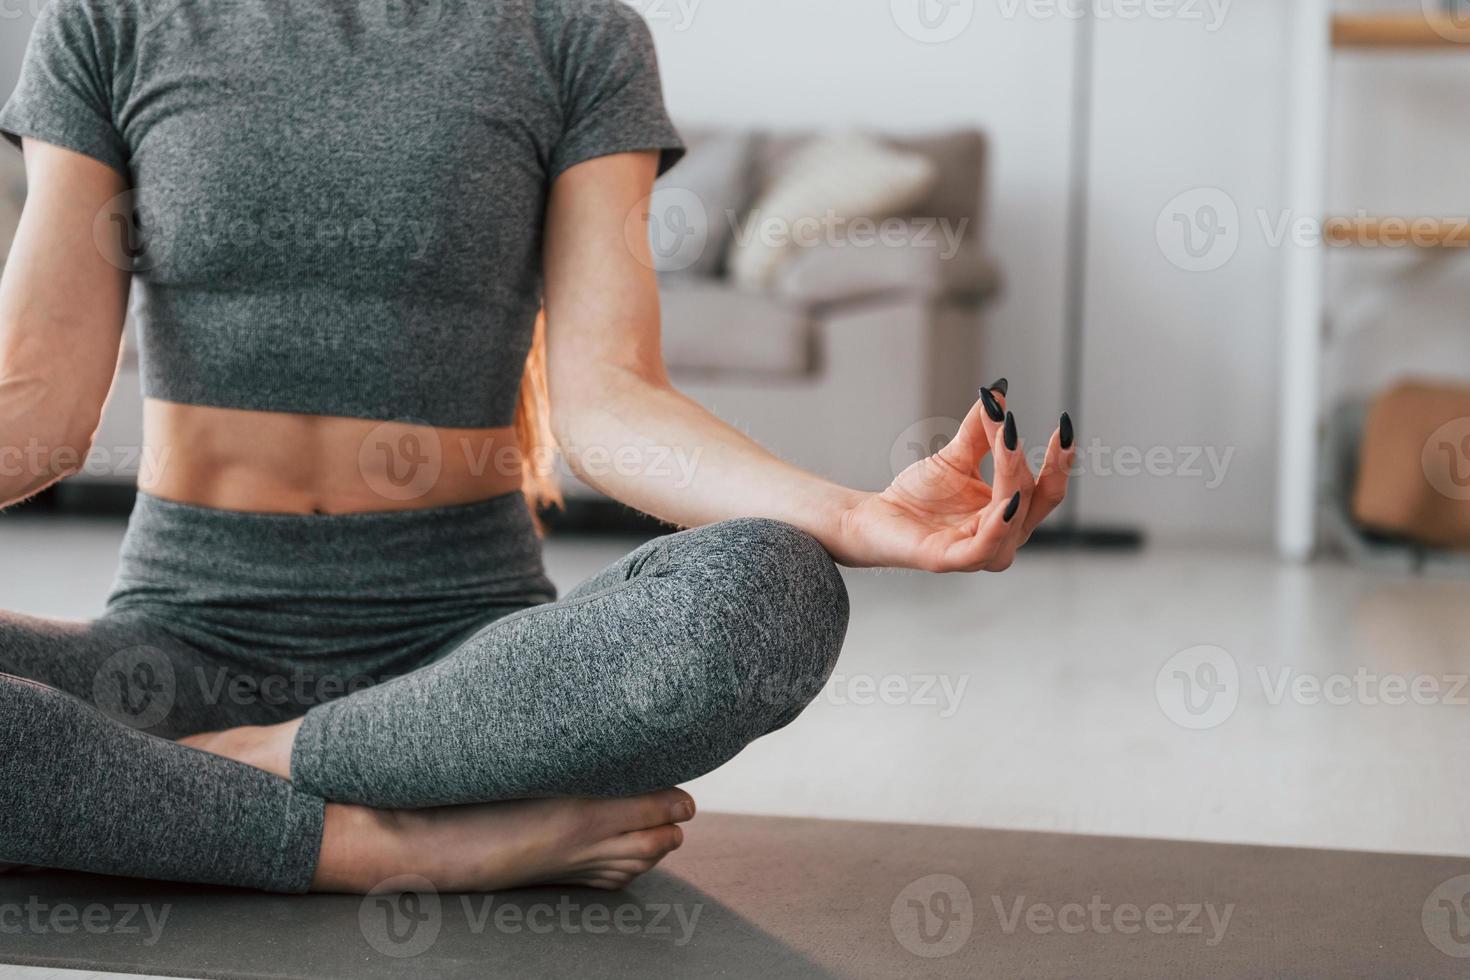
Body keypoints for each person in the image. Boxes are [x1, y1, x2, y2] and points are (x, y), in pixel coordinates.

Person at [0, 0, 1075, 894]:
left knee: (772, 592)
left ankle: (236, 774)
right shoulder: (111, 23)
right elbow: (38, 406)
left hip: (471, 673)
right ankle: (388, 842)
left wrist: (846, 517)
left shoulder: (574, 36)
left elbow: (608, 399)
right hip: (175, 650)